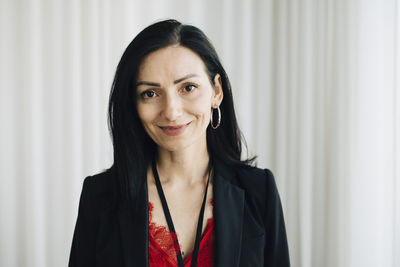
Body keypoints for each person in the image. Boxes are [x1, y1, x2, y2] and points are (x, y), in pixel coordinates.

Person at [69, 19, 290, 267]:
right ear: (134, 103)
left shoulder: (260, 191)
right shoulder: (99, 196)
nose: (171, 111)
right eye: (150, 93)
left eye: (188, 87)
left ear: (216, 92)